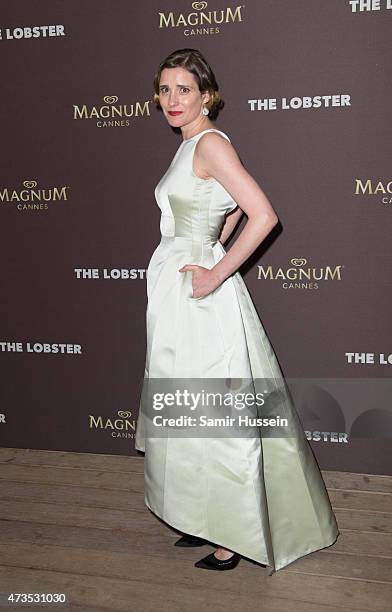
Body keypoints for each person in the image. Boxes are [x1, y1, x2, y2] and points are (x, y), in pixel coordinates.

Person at [134, 48, 339, 573]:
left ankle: (232, 537)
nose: (173, 100)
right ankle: (203, 517)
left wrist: (215, 272)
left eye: (184, 89)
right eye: (165, 90)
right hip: (178, 298)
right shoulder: (190, 148)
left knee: (218, 413)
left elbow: (263, 214)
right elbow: (219, 210)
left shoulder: (210, 144)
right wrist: (215, 236)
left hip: (201, 299)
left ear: (207, 95)